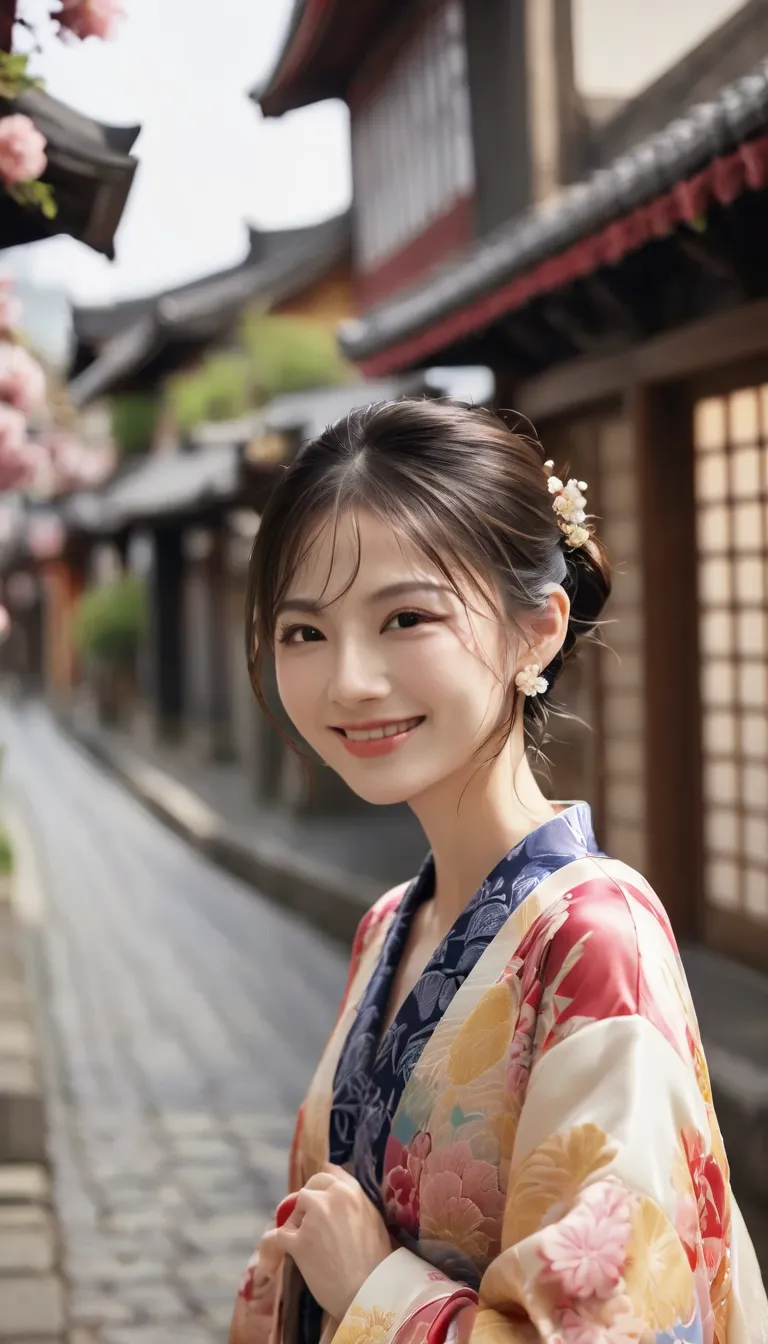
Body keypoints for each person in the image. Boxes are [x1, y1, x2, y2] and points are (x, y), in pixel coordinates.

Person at [229, 399, 768, 1344]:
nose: (348, 679)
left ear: (538, 632)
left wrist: (374, 1292)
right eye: (304, 632)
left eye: (406, 617)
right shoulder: (392, 920)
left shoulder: (595, 943)